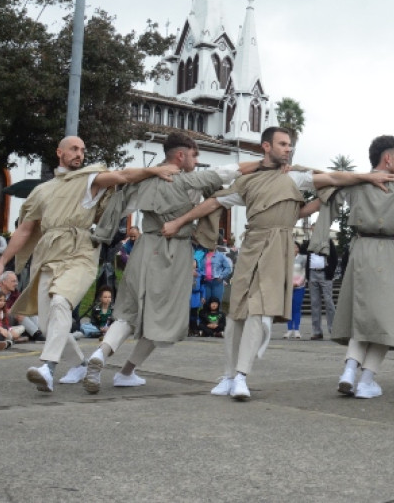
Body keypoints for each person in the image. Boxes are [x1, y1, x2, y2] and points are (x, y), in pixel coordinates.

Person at [161, 126, 394, 401]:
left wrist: (364, 177)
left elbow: (332, 177)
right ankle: (228, 375)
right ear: (266, 146)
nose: (288, 149)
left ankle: (241, 376)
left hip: (280, 247)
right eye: (283, 144)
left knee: (259, 312)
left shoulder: (295, 176)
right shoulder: (249, 181)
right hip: (252, 244)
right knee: (236, 313)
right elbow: (214, 203)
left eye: (290, 145)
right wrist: (178, 222)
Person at [0, 135, 180, 393]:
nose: (80, 154)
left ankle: (48, 367)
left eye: (82, 149)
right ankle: (79, 364)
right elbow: (25, 230)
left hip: (80, 250)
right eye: (74, 149)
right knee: (48, 323)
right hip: (48, 253)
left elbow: (123, 176)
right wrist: (2, 261)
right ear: (60, 152)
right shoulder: (42, 191)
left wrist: (154, 170)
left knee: (61, 302)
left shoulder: (90, 178)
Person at [81, 132, 261, 393]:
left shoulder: (143, 181)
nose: (196, 159)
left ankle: (101, 354)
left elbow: (119, 201)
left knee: (129, 311)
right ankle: (127, 371)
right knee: (164, 318)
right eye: (194, 154)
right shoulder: (192, 179)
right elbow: (234, 169)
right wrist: (266, 163)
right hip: (174, 250)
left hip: (143, 247)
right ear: (181, 155)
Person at [309, 135, 394, 399]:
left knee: (364, 317)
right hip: (393, 250)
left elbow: (328, 195)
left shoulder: (355, 183)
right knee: (388, 319)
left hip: (361, 249)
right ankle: (366, 380)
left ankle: (349, 370)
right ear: (387, 158)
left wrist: (319, 240)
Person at [305, 238, 338, 340]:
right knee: (315, 303)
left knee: (329, 302)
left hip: (324, 273)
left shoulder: (328, 241)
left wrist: (330, 270)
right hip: (312, 273)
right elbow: (305, 253)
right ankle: (317, 331)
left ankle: (333, 330)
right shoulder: (311, 242)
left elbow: (334, 258)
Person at [285, 242, 305, 339]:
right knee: (289, 308)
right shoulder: (286, 258)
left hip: (299, 286)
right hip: (288, 287)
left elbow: (304, 273)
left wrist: (298, 283)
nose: (294, 248)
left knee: (296, 308)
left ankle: (296, 330)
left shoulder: (302, 258)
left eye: (296, 246)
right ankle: (289, 329)